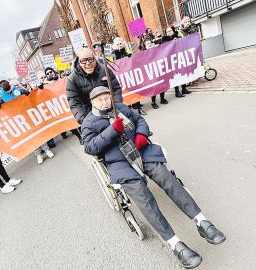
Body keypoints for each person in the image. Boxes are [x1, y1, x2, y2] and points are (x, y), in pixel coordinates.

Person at [81, 86, 226, 269]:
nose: (105, 102)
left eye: (107, 98)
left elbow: (139, 120)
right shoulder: (89, 122)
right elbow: (90, 148)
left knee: (167, 178)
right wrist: (111, 130)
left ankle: (202, 221)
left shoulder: (121, 107)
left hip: (142, 151)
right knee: (144, 198)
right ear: (92, 102)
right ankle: (175, 244)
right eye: (100, 100)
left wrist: (141, 134)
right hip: (120, 164)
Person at [0, 80, 54, 164]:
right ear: (1, 87)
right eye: (2, 84)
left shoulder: (17, 88)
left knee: (37, 132)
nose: (4, 85)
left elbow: (28, 92)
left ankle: (46, 150)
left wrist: (27, 92)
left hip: (27, 114)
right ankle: (38, 155)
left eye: (5, 83)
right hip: (17, 119)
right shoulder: (0, 95)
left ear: (9, 84)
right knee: (29, 137)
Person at [66, 47, 123, 125]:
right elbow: (74, 103)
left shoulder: (105, 70)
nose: (88, 63)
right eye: (83, 61)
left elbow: (116, 89)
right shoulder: (72, 79)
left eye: (90, 59)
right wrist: (85, 120)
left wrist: (116, 107)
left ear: (95, 59)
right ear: (79, 62)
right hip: (91, 118)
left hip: (111, 112)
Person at [111, 37, 146, 116]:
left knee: (134, 89)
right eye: (118, 44)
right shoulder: (112, 54)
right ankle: (129, 108)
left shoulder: (126, 50)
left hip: (129, 75)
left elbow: (132, 58)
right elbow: (112, 64)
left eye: (120, 43)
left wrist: (127, 53)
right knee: (125, 92)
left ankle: (137, 106)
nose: (119, 45)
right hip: (120, 77)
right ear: (115, 45)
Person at [164, 26, 192, 97]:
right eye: (168, 31)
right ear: (166, 33)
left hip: (179, 58)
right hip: (172, 60)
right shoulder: (165, 40)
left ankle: (184, 88)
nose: (169, 32)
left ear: (173, 31)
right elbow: (165, 49)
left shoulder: (177, 36)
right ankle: (177, 92)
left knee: (183, 73)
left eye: (170, 31)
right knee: (175, 76)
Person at [143, 39, 168, 109]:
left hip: (158, 70)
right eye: (147, 43)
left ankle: (162, 99)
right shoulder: (143, 54)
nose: (149, 44)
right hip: (151, 72)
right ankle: (153, 102)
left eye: (150, 43)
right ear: (145, 46)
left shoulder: (156, 50)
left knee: (162, 85)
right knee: (154, 88)